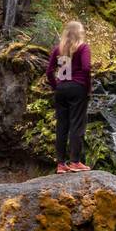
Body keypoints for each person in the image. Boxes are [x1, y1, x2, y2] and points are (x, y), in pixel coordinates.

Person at [45, 20, 92, 174]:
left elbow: (49, 71)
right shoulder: (83, 47)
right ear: (80, 33)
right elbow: (86, 68)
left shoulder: (58, 49)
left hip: (61, 89)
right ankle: (75, 162)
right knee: (77, 125)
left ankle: (60, 164)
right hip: (77, 88)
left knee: (62, 126)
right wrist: (87, 87)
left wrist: (55, 86)